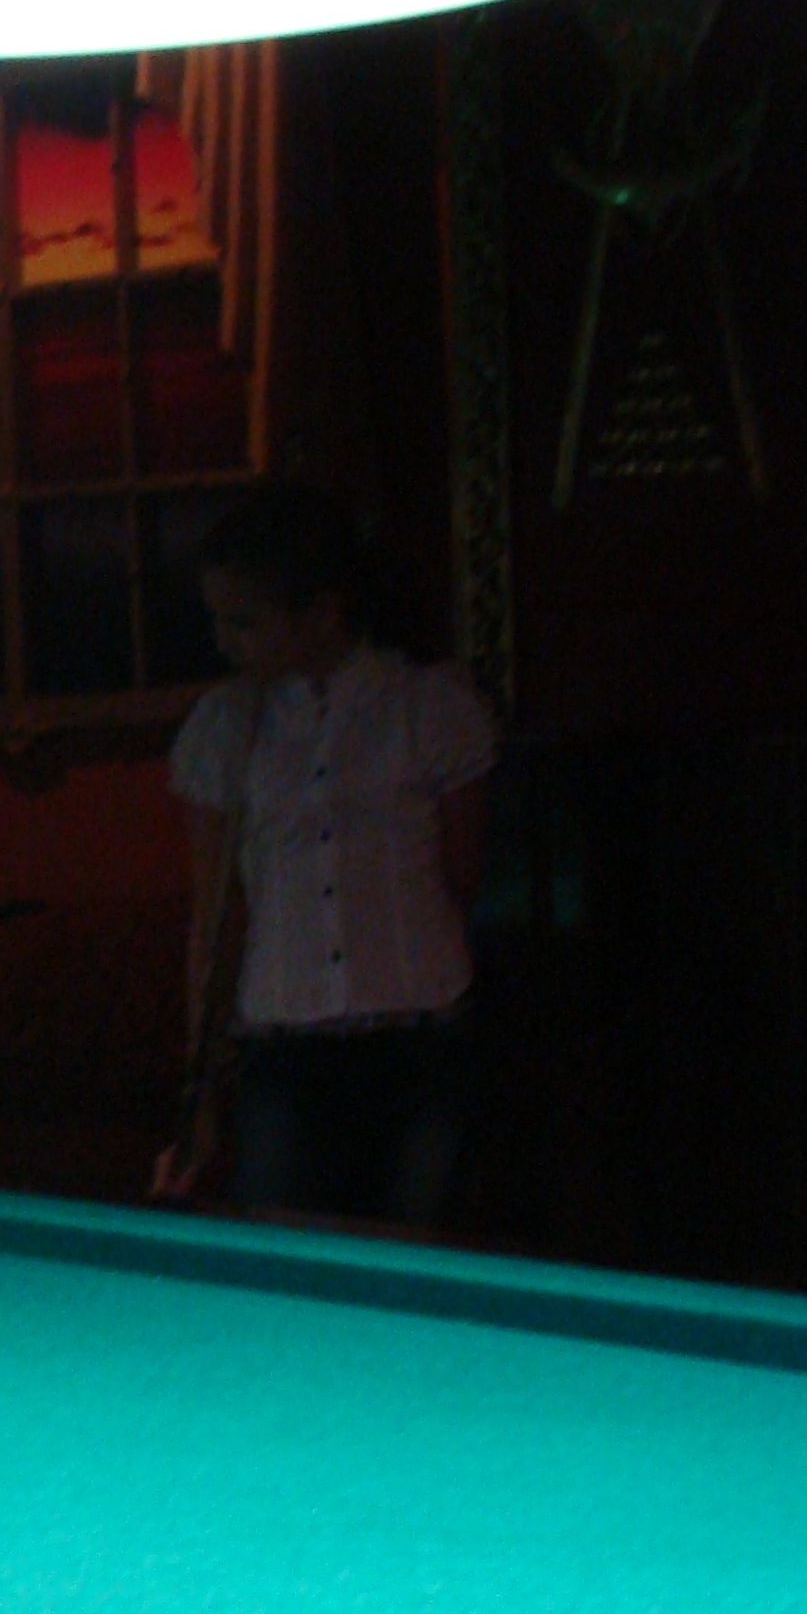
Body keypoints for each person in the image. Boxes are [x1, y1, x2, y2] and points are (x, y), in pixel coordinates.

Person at [157, 485, 496, 1227]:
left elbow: (461, 879)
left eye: (245, 623)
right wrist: (201, 1088)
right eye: (218, 620)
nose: (224, 642)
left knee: (417, 1257)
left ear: (323, 612)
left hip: (420, 1041)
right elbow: (216, 918)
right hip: (283, 1051)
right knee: (285, 1262)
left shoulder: (429, 708)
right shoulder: (222, 729)